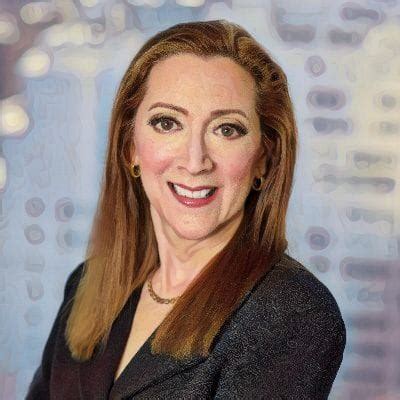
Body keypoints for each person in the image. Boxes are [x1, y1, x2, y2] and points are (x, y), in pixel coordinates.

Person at [26, 19, 346, 400]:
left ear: (263, 158)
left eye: (226, 129)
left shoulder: (294, 313)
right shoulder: (88, 285)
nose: (195, 162)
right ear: (130, 148)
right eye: (167, 123)